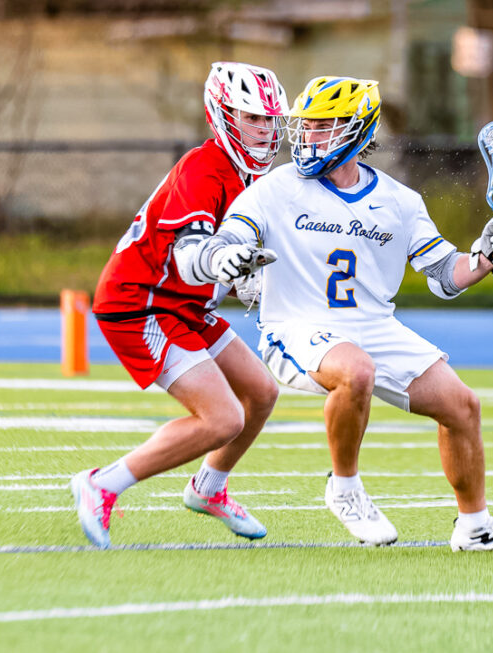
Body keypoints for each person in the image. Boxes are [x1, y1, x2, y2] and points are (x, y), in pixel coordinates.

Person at [184, 76, 493, 553]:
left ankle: (474, 527)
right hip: (297, 325)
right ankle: (345, 488)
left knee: (462, 406)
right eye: (306, 126)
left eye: (324, 126)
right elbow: (231, 237)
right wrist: (227, 255)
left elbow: (444, 275)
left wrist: (484, 257)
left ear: (357, 131)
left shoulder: (399, 201)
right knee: (356, 370)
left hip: (374, 327)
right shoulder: (276, 189)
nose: (308, 136)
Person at [69, 62, 288, 549]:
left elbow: (228, 275)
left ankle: (207, 490)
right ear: (222, 115)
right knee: (222, 418)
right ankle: (102, 484)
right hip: (140, 304)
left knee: (262, 392)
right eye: (253, 118)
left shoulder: (253, 180)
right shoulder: (203, 167)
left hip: (184, 304)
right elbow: (191, 260)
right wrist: (227, 263)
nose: (266, 131)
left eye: (272, 121)